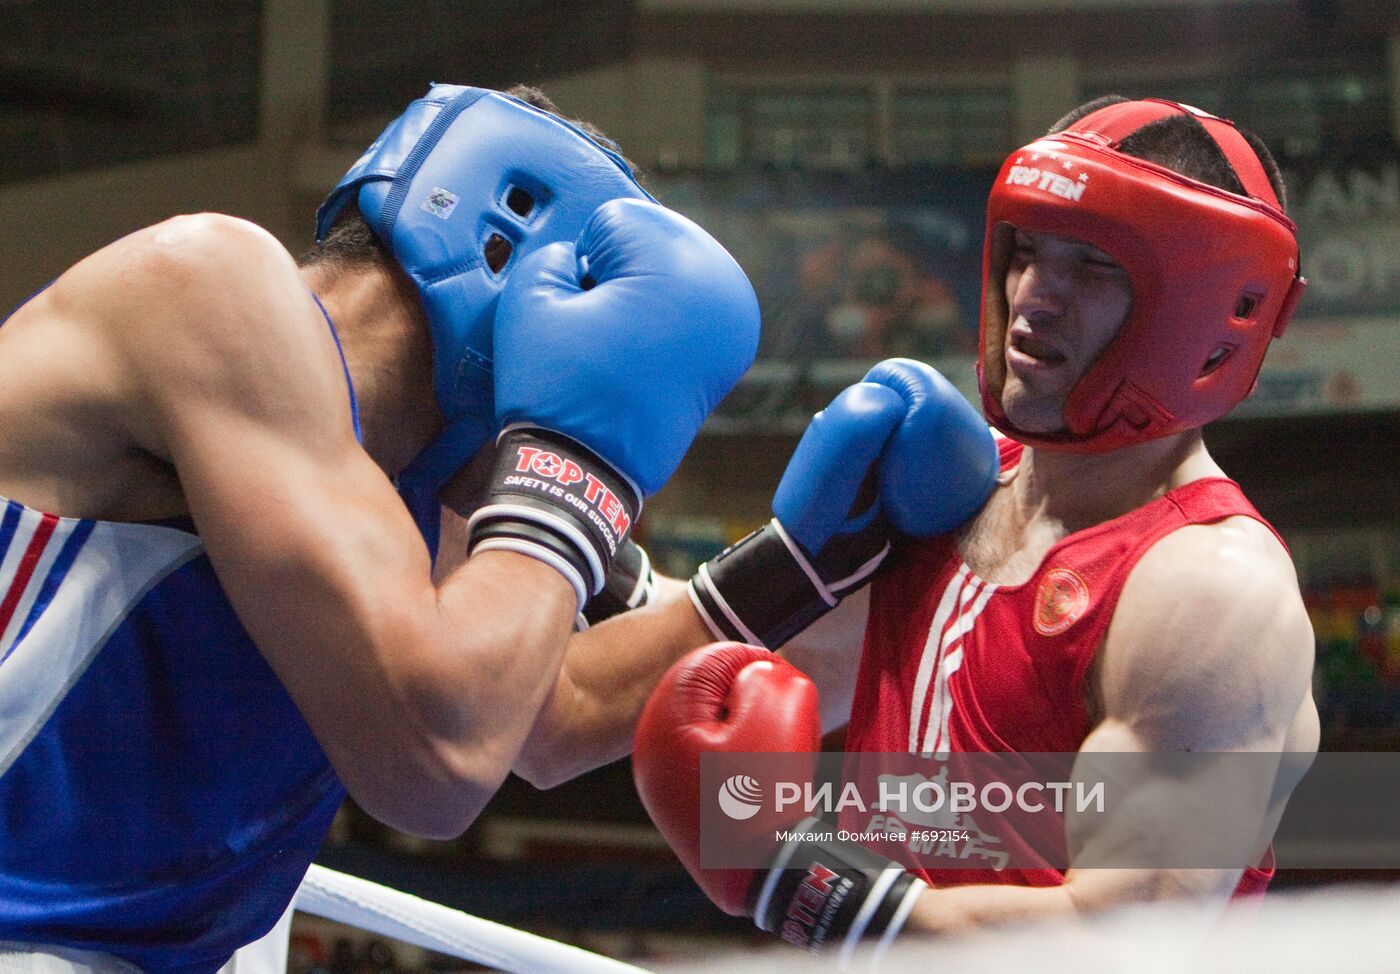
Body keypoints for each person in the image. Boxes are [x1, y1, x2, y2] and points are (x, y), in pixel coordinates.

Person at [518, 96, 1320, 963]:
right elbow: (742, 670)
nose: (1032, 297)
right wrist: (577, 547)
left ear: (1204, 316)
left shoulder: (1209, 592)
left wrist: (794, 881)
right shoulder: (953, 489)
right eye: (1028, 250)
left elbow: (1124, 939)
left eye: (1091, 265)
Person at [0, 82, 760, 974]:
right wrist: (578, 457)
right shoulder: (205, 288)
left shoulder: (390, 496)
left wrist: (828, 561)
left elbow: (550, 716)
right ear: (512, 256)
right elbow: (441, 758)